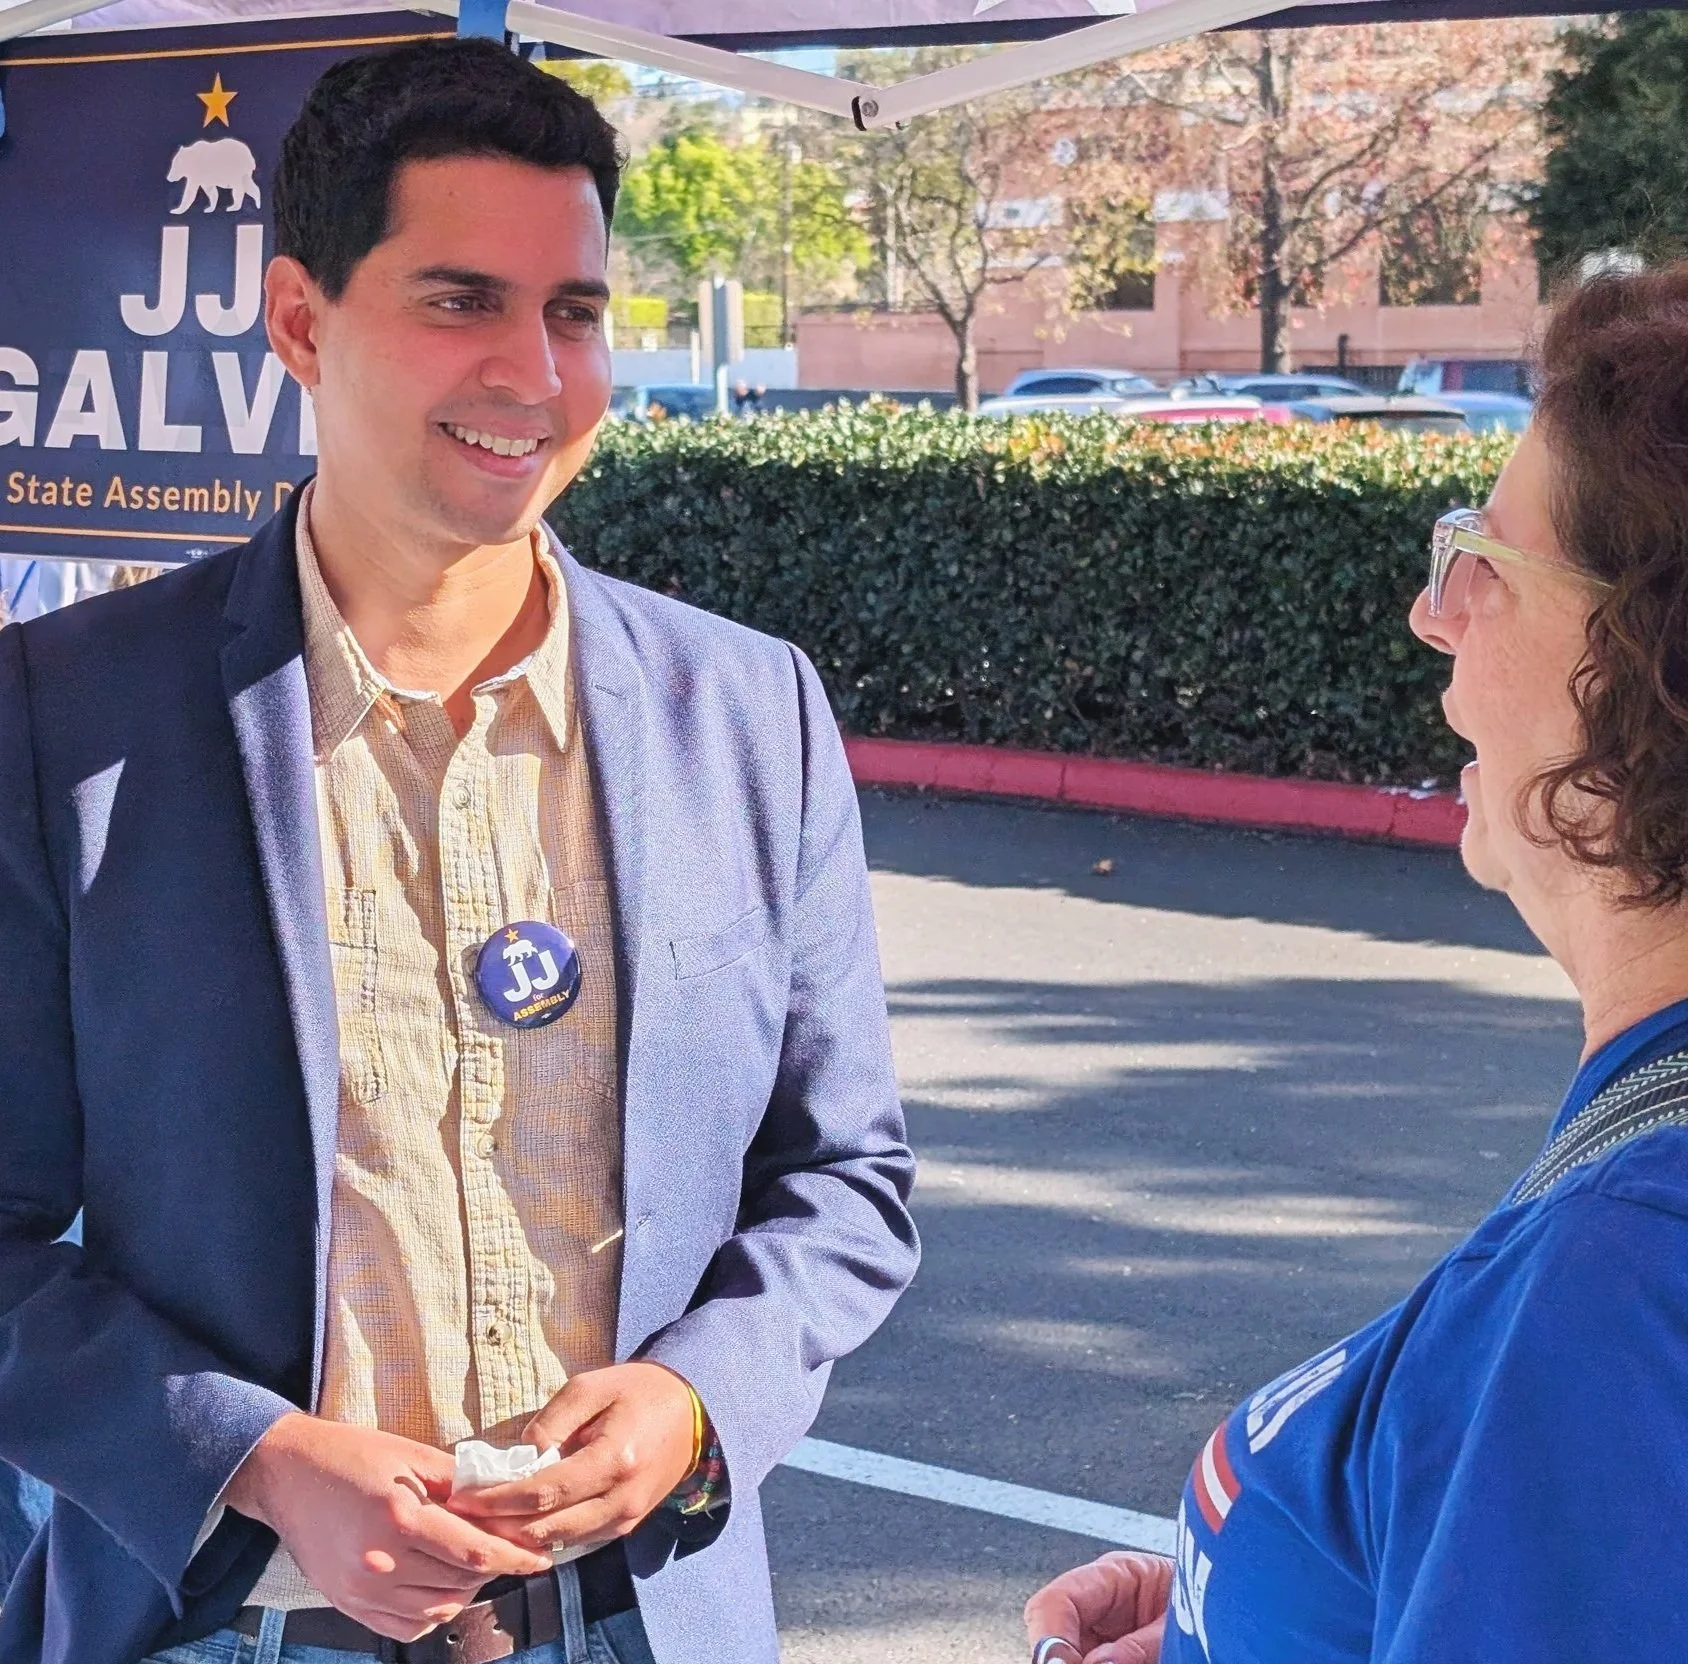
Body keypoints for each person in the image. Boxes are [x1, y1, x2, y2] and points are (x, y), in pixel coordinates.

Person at [0, 38, 917, 1664]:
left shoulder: (748, 710)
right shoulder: (65, 717)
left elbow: (844, 1183)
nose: (535, 374)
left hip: (638, 1624)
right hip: (227, 1628)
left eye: (572, 313)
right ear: (299, 320)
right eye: (459, 301)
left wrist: (696, 1401)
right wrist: (259, 1461)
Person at [1026, 264, 1688, 1664]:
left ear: (1639, 678)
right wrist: (1276, 1593)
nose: (1431, 614)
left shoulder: (1619, 1274)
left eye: (1482, 563)